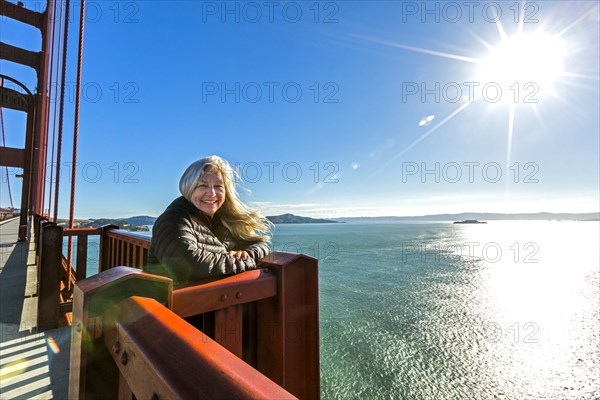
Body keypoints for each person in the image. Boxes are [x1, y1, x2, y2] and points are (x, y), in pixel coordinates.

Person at [146, 155, 272, 286]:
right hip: (167, 303)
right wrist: (246, 262)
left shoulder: (225, 218)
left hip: (212, 301)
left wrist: (246, 254)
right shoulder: (173, 220)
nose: (211, 193)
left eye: (218, 186)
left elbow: (261, 244)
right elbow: (187, 266)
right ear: (189, 188)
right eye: (203, 185)